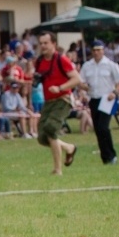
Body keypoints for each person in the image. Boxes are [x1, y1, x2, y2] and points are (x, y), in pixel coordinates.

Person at [34, 32, 80, 175]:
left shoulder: (62, 60)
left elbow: (76, 79)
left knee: (50, 128)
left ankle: (57, 170)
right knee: (42, 137)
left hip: (63, 99)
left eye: (46, 43)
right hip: (48, 101)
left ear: (54, 44)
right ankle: (69, 148)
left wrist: (60, 88)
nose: (43, 46)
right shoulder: (39, 61)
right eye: (41, 43)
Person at [79, 40, 119, 165]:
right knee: (98, 129)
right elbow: (80, 81)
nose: (96, 53)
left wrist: (114, 92)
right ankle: (105, 157)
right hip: (93, 98)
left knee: (103, 127)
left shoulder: (111, 65)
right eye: (94, 50)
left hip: (107, 99)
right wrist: (84, 88)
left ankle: (111, 155)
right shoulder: (87, 65)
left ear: (103, 51)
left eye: (98, 50)